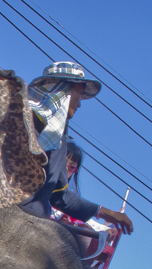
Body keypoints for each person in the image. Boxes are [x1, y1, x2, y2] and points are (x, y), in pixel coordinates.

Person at [19, 61, 133, 233]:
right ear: (63, 90)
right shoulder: (21, 120)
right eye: (79, 94)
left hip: (31, 225)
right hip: (11, 217)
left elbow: (59, 196)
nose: (79, 104)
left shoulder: (58, 137)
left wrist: (108, 214)